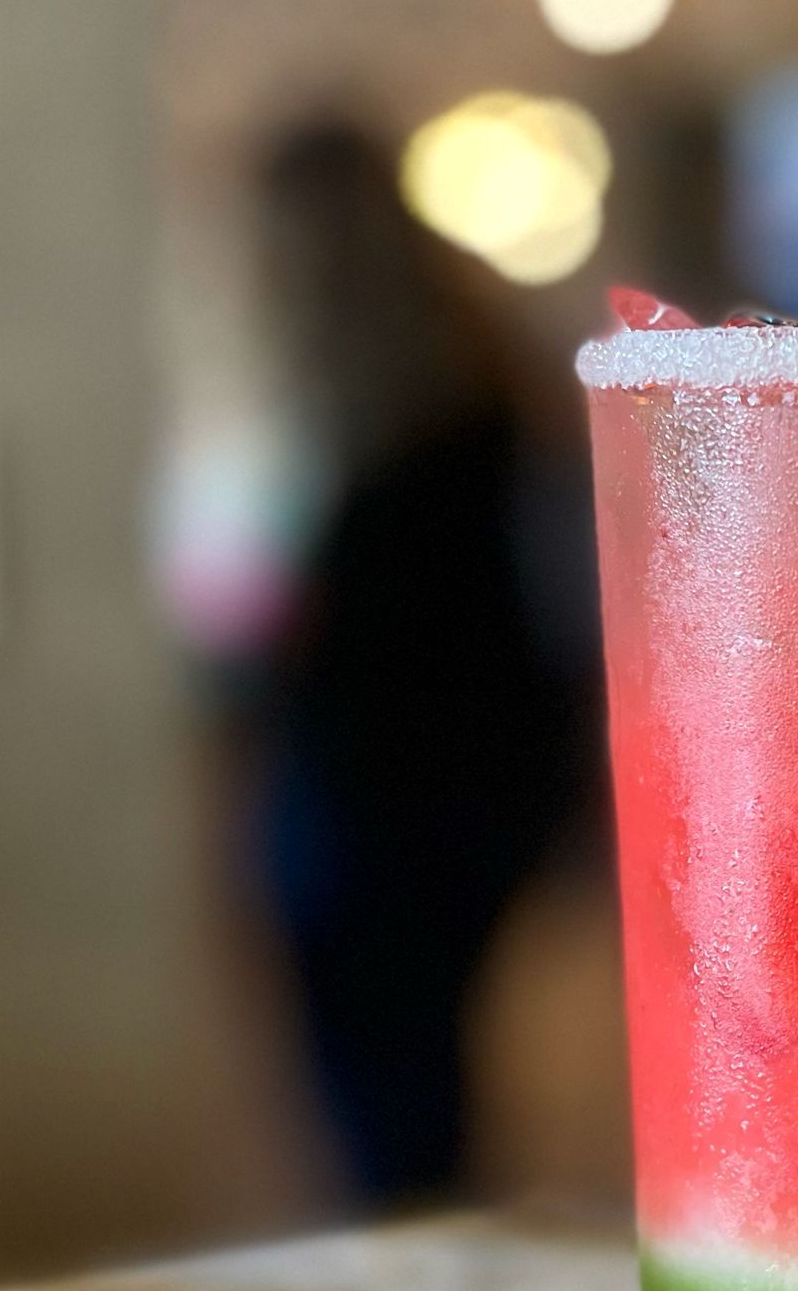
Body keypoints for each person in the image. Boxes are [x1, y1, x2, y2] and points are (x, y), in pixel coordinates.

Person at [251, 119, 600, 1209]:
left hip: (375, 810)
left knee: (385, 1116)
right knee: (430, 1093)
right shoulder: (487, 371)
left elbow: (365, 648)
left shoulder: (377, 421)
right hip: (482, 796)